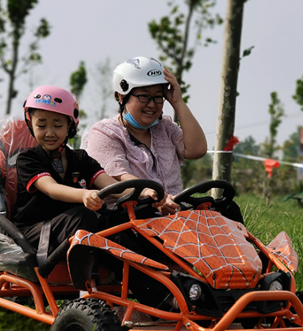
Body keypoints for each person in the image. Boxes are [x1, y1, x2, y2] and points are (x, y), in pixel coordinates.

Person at [13, 85, 157, 276]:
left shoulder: (81, 159)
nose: (49, 132)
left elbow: (110, 186)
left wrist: (143, 192)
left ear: (70, 126)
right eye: (41, 125)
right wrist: (84, 194)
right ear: (31, 125)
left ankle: (160, 290)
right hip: (36, 233)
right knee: (84, 215)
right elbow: (51, 188)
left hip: (73, 230)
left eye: (57, 125)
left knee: (113, 223)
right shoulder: (28, 159)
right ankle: (88, 284)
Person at [83, 56, 208, 216]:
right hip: (131, 216)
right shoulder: (104, 133)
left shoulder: (166, 127)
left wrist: (178, 102)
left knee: (228, 209)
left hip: (175, 213)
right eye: (144, 96)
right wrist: (160, 199)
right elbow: (120, 178)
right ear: (121, 97)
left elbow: (197, 150)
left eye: (158, 97)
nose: (152, 104)